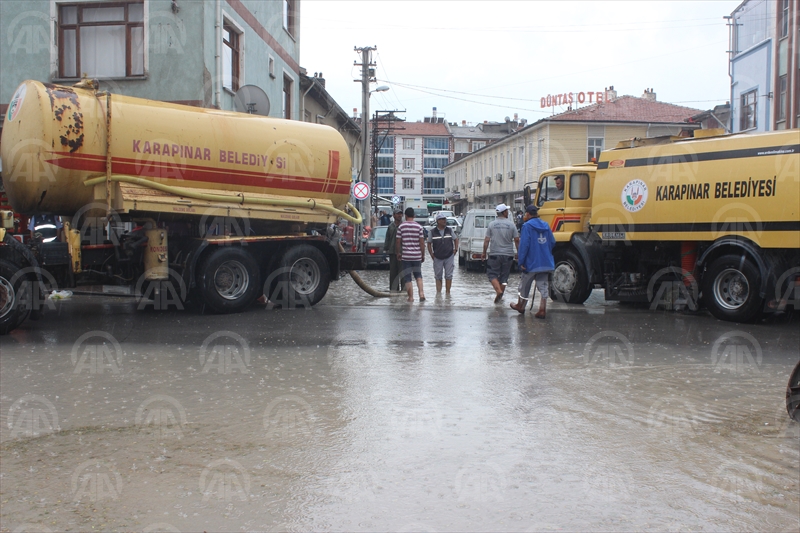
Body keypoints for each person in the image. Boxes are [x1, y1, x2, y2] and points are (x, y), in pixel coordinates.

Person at [510, 204, 556, 318]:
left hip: (531, 262)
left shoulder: (527, 226)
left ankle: (521, 305)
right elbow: (552, 242)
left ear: (528, 214)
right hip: (545, 262)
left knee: (524, 285)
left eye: (526, 214)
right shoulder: (546, 225)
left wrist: (521, 261)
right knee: (543, 285)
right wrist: (545, 253)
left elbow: (524, 245)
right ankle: (542, 309)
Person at [482, 203, 519, 303]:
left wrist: (484, 252)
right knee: (504, 277)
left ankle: (498, 292)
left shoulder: (491, 224)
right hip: (508, 255)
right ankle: (500, 296)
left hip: (494, 254)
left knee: (492, 275)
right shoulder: (511, 225)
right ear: (504, 212)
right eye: (507, 210)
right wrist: (519, 253)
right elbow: (516, 240)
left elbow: (486, 240)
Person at [396, 207, 426, 302]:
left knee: (407, 278)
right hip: (417, 256)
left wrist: (398, 253)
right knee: (418, 276)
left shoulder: (401, 227)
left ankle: (411, 297)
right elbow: (422, 243)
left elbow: (398, 241)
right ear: (414, 216)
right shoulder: (419, 227)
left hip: (406, 257)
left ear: (405, 216)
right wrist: (422, 255)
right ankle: (421, 294)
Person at [426, 212, 458, 295]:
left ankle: (448, 294)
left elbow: (456, 239)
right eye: (442, 219)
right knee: (438, 276)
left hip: (449, 256)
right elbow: (429, 243)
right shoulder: (432, 232)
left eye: (445, 219)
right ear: (438, 221)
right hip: (437, 257)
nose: (444, 221)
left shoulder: (449, 230)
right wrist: (431, 254)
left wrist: (455, 249)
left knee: (449, 275)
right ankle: (438, 294)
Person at [384, 208, 404, 292]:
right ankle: (393, 289)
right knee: (393, 272)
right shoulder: (390, 226)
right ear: (394, 215)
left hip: (403, 252)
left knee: (403, 272)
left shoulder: (404, 226)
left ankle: (404, 290)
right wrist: (385, 249)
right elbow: (387, 238)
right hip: (392, 252)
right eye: (397, 214)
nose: (399, 215)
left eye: (400, 214)